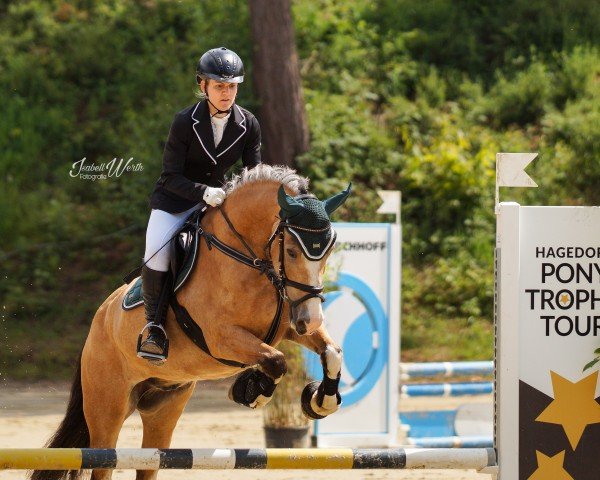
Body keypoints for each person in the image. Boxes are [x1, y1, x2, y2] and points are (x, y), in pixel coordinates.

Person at [137, 47, 262, 363]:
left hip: (214, 205)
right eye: (219, 86)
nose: (226, 93)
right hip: (174, 202)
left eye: (232, 86)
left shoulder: (248, 124)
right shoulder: (184, 121)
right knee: (158, 251)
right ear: (202, 85)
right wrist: (204, 192)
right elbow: (170, 176)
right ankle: (153, 328)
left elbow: (254, 176)